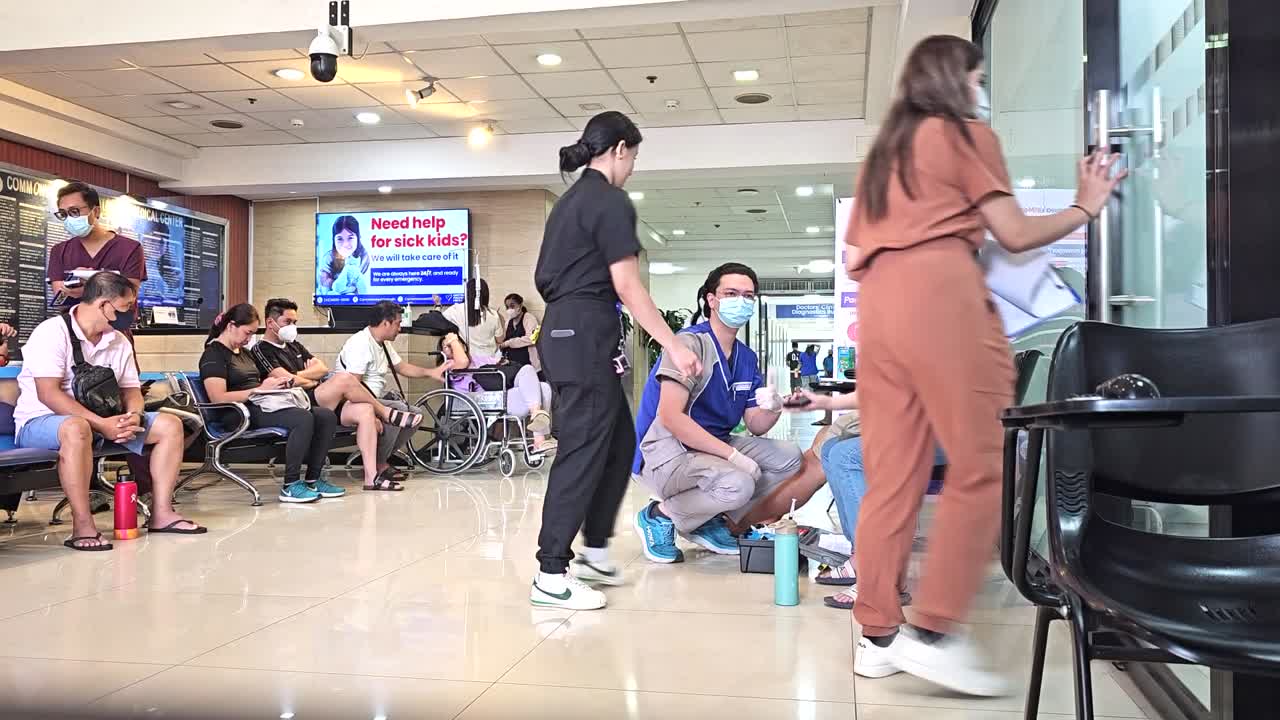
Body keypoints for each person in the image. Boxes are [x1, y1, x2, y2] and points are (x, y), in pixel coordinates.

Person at [845, 35, 1125, 695]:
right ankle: (935, 630)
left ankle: (878, 633)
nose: (980, 87)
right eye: (977, 75)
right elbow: (1015, 234)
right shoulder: (964, 134)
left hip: (879, 309)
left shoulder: (882, 158)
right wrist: (1086, 203)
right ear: (957, 78)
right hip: (941, 294)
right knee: (983, 465)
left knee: (892, 478)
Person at [532, 110, 701, 610]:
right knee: (582, 447)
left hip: (571, 328)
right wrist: (673, 343)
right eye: (634, 157)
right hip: (582, 328)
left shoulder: (569, 202)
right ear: (621, 149)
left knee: (619, 440)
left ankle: (595, 551)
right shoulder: (609, 200)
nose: (632, 168)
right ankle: (550, 572)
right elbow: (627, 285)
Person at [14, 272, 204, 550]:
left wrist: (134, 416)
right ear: (104, 304)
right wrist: (101, 425)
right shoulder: (51, 332)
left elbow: (130, 391)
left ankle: (162, 514)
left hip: (102, 420)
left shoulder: (119, 341)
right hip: (41, 422)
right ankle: (82, 524)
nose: (131, 314)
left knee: (169, 425)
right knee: (76, 427)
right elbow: (49, 394)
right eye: (126, 307)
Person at [632, 263, 801, 563]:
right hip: (665, 450)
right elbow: (670, 417)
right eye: (731, 293)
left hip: (711, 443)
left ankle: (705, 517)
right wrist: (733, 457)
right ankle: (660, 515)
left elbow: (756, 425)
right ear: (711, 300)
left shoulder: (745, 357)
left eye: (748, 296)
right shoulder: (688, 344)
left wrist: (775, 407)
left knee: (789, 456)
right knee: (738, 482)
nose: (742, 301)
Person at [48, 181, 157, 499]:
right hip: (76, 339)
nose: (70, 218)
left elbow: (129, 291)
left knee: (125, 402)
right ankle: (87, 489)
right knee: (79, 405)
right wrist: (99, 284)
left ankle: (144, 488)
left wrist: (85, 287)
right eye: (63, 213)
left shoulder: (127, 248)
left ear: (95, 211)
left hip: (115, 335)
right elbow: (59, 290)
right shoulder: (61, 251)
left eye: (75, 212)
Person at [252, 298, 423, 493]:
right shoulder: (261, 349)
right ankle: (385, 412)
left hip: (318, 394)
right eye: (287, 322)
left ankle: (371, 477)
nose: (292, 327)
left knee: (365, 410)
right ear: (270, 323)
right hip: (296, 400)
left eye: (295, 322)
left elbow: (322, 369)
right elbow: (285, 380)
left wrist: (302, 377)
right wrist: (308, 378)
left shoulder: (294, 346)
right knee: (343, 378)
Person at [200, 304, 340, 503]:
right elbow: (218, 398)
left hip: (260, 404)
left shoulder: (245, 353)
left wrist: (274, 386)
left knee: (325, 416)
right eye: (247, 333)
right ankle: (290, 485)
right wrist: (259, 390)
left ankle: (313, 479)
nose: (249, 339)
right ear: (231, 326)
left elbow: (261, 384)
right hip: (237, 413)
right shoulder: (213, 355)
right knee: (302, 418)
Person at [336, 300, 452, 490]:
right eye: (398, 323)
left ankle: (381, 461)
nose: (400, 328)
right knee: (397, 410)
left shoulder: (382, 343)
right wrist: (373, 412)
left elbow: (401, 367)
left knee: (413, 414)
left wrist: (431, 372)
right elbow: (352, 386)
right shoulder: (360, 343)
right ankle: (377, 467)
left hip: (372, 400)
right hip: (352, 404)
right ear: (385, 323)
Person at [439, 330, 556, 453]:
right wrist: (453, 339)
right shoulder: (449, 365)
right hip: (484, 400)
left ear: (463, 346)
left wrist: (504, 363)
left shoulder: (477, 359)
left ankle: (538, 426)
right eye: (446, 347)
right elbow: (463, 361)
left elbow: (499, 361)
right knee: (541, 388)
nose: (451, 347)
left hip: (502, 394)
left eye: (454, 344)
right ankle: (539, 438)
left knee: (535, 377)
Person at [442, 278, 503, 359]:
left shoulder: (455, 310)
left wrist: (438, 306)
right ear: (485, 294)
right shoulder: (493, 314)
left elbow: (440, 320)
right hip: (490, 363)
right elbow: (500, 340)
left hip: (466, 361)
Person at [317, 215, 371, 296]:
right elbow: (324, 288)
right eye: (340, 239)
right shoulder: (328, 258)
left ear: (358, 238)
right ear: (333, 240)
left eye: (350, 238)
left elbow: (364, 290)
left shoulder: (364, 258)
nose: (345, 244)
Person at [498, 292, 541, 372]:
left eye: (512, 306)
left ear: (520, 306)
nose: (509, 309)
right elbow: (503, 339)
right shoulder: (508, 321)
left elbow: (532, 339)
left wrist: (509, 343)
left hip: (529, 365)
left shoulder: (529, 318)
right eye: (507, 307)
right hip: (511, 366)